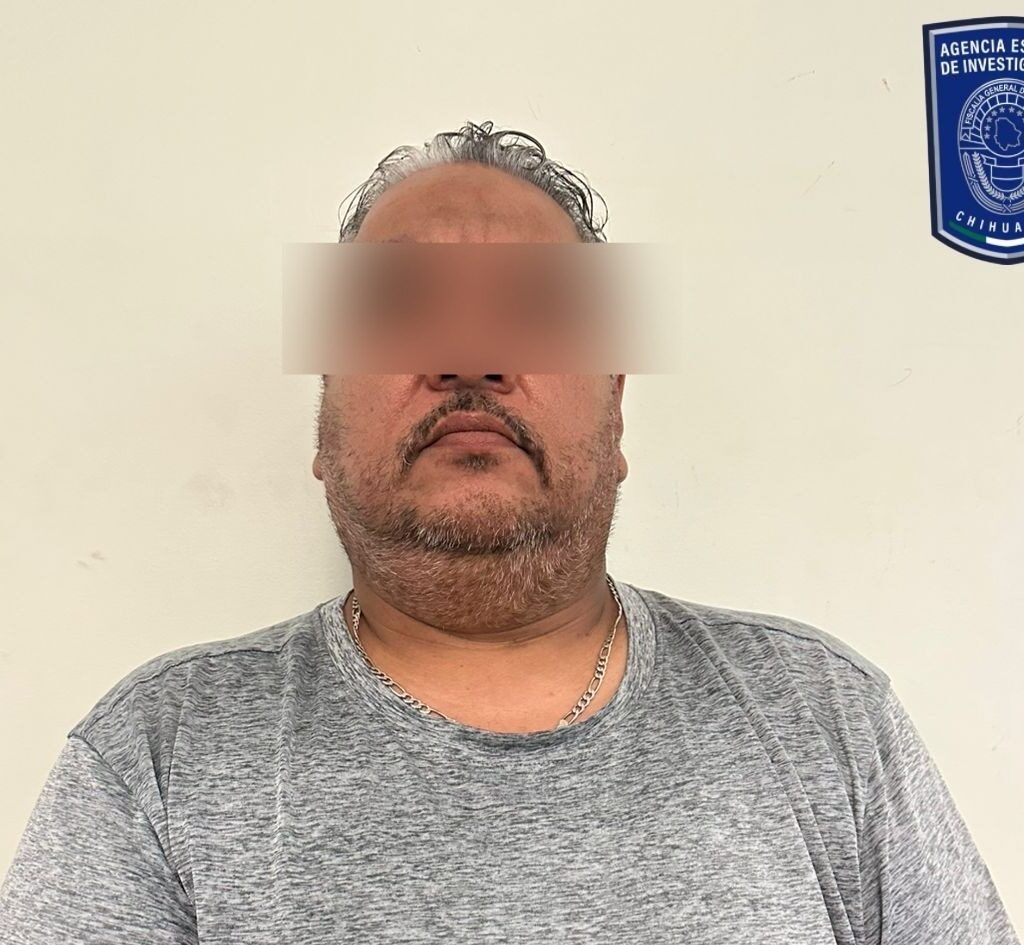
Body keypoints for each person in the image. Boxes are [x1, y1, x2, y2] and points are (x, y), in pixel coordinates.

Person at [0, 121, 1019, 945]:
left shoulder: (825, 718)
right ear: (323, 422)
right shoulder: (158, 754)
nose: (468, 352)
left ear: (616, 407)